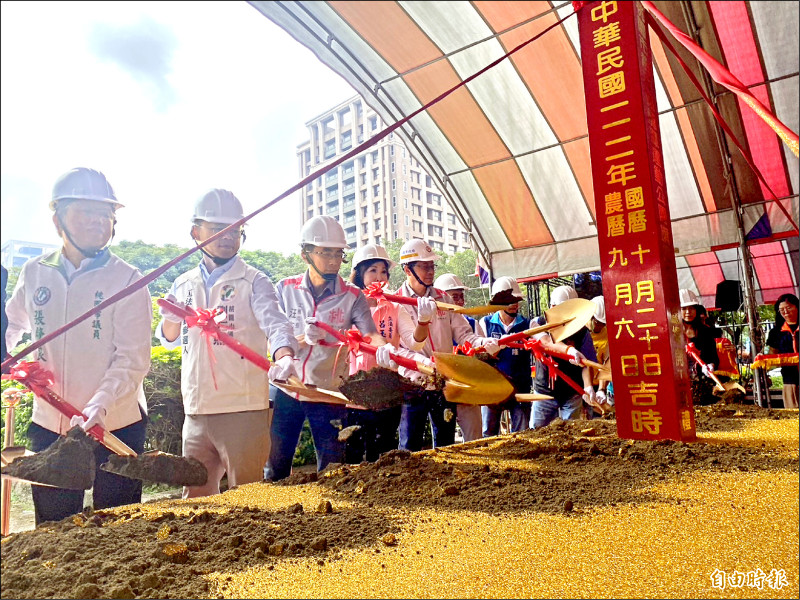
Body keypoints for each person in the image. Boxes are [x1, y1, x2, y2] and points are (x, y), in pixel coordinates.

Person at [5, 167, 152, 525]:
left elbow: (132, 360)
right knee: (54, 528)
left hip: (115, 423)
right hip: (50, 425)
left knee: (117, 527)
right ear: (58, 219)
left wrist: (99, 405)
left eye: (105, 214)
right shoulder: (35, 271)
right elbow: (14, 325)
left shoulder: (128, 279)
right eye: (86, 212)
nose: (98, 221)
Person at [156, 189, 298, 498]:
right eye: (218, 229)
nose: (228, 237)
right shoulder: (183, 284)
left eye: (235, 230)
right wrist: (169, 317)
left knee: (246, 499)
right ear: (196, 232)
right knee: (194, 498)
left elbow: (275, 322)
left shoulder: (254, 280)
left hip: (242, 410)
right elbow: (169, 339)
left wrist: (284, 355)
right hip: (196, 410)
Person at [266, 216, 396, 480]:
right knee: (276, 463)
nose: (334, 260)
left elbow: (370, 334)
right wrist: (302, 340)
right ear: (305, 255)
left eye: (338, 253)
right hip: (287, 387)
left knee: (333, 467)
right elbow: (271, 333)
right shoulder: (284, 289)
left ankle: (331, 516)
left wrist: (385, 350)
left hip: (327, 391)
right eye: (325, 253)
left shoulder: (353, 295)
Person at [393, 239, 500, 451]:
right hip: (413, 384)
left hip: (443, 382)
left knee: (445, 443)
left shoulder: (443, 299)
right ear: (407, 269)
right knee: (409, 443)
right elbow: (398, 349)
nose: (430, 271)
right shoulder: (396, 303)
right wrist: (424, 364)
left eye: (432, 266)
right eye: (424, 266)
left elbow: (464, 335)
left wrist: (482, 344)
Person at [344, 244, 433, 462]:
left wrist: (423, 320)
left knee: (382, 453)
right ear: (360, 274)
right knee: (352, 454)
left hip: (386, 390)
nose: (379, 277)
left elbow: (415, 343)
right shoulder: (346, 304)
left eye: (383, 271)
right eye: (372, 270)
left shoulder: (394, 307)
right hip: (353, 392)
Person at [530, 285, 598, 429]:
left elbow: (586, 363)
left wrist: (588, 386)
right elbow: (546, 342)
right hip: (544, 392)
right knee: (536, 431)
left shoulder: (582, 331)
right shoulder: (538, 324)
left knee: (571, 432)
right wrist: (570, 351)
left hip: (572, 393)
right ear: (552, 307)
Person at [477, 276, 532, 436]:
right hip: (492, 387)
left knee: (522, 435)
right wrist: (499, 345)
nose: (514, 304)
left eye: (517, 299)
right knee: (488, 433)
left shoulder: (528, 325)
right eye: (509, 300)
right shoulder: (485, 324)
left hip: (520, 386)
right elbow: (482, 356)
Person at [433, 272, 481, 441]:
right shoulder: (432, 326)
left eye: (461, 297)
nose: (459, 302)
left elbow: (480, 357)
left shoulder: (472, 325)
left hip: (467, 392)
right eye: (454, 297)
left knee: (474, 438)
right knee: (443, 440)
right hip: (444, 391)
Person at [680, 288, 720, 405]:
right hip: (680, 382)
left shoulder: (705, 331)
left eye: (692, 308)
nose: (688, 312)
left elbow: (713, 356)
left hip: (700, 383)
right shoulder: (672, 332)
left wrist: (711, 365)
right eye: (684, 309)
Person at [766, 293, 799, 409]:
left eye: (788, 308)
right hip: (790, 379)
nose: (785, 312)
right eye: (781, 310)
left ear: (797, 307)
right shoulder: (775, 332)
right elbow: (772, 355)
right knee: (793, 416)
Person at [588, 295, 612, 414]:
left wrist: (601, 389)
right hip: (580, 386)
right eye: (597, 323)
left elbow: (606, 364)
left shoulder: (607, 335)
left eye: (603, 324)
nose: (599, 327)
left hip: (597, 384)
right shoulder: (579, 332)